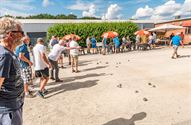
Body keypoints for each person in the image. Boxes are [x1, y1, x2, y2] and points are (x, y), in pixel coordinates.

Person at [0, 17, 24, 125]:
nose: (23, 36)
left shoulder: (9, 52)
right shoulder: (4, 55)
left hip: (14, 104)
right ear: (11, 34)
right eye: (21, 32)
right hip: (8, 110)